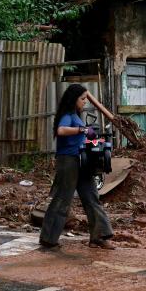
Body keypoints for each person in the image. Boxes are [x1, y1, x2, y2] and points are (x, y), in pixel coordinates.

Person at [40, 84, 115, 249]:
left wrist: (93, 140)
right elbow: (61, 130)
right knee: (63, 198)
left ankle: (99, 236)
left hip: (82, 160)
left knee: (91, 197)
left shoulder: (76, 115)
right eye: (82, 99)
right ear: (74, 99)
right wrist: (82, 129)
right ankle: (48, 239)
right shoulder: (67, 115)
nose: (84, 102)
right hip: (68, 161)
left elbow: (80, 138)